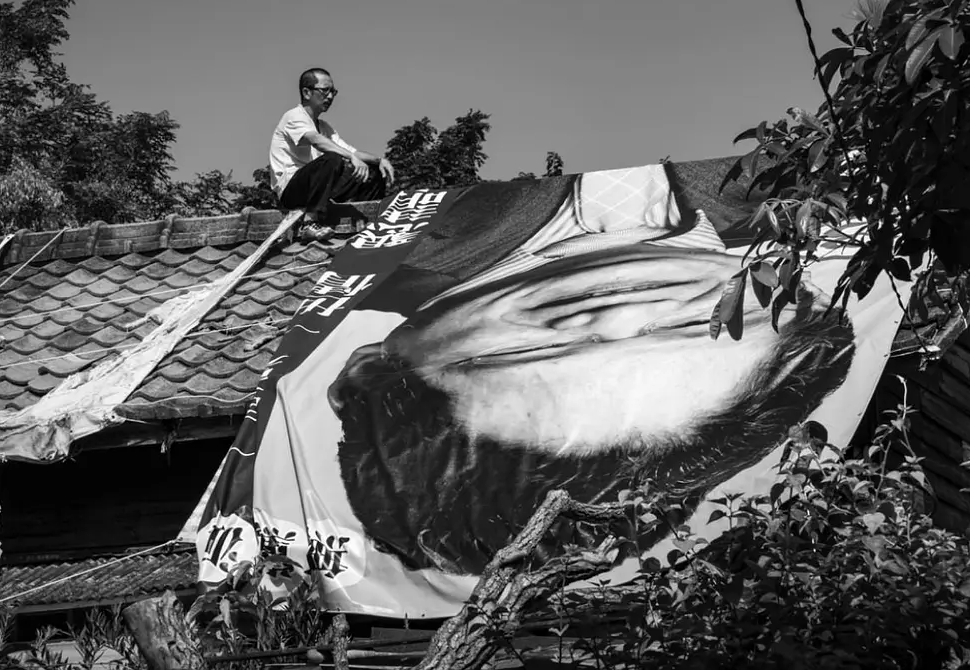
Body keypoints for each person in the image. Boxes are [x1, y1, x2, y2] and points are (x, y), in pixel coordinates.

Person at [327, 162, 857, 576]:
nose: (624, 317)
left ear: (381, 363)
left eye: (541, 353)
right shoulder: (798, 193)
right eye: (698, 327)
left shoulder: (390, 247)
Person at [269, 68, 396, 242]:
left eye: (333, 92)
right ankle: (309, 223)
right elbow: (317, 141)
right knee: (333, 158)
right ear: (307, 92)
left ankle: (367, 225)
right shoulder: (293, 116)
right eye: (325, 91)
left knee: (373, 172)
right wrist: (351, 158)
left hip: (318, 190)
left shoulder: (324, 127)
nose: (330, 97)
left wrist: (379, 160)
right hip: (291, 191)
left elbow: (351, 151)